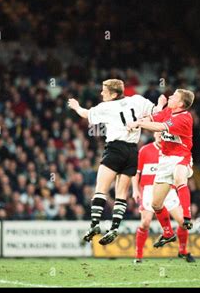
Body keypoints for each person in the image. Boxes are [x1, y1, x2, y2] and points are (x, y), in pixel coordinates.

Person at [68, 79, 166, 245]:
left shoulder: (106, 107)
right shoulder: (137, 100)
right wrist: (161, 103)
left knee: (100, 190)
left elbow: (86, 114)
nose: (101, 93)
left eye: (104, 91)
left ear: (113, 94)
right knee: (121, 194)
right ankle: (114, 228)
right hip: (132, 151)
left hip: (115, 149)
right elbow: (156, 113)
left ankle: (94, 225)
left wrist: (76, 106)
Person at [127, 89, 195, 248]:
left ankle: (187, 216)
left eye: (174, 96)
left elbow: (159, 127)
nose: (170, 96)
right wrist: (142, 117)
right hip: (164, 161)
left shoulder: (184, 118)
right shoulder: (168, 111)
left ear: (181, 104)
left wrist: (138, 123)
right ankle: (168, 233)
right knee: (155, 204)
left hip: (181, 157)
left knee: (179, 177)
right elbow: (153, 117)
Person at [132, 132, 195, 263]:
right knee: (145, 222)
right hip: (149, 189)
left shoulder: (172, 150)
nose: (160, 135)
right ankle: (138, 256)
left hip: (169, 190)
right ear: (154, 135)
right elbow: (136, 173)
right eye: (158, 133)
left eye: (163, 133)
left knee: (183, 223)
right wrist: (135, 190)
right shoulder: (145, 150)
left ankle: (182, 251)